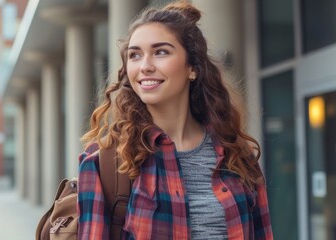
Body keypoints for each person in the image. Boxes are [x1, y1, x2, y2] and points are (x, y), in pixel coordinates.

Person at [77, 1, 273, 239]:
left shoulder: (237, 155)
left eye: (161, 52)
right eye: (135, 55)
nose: (145, 66)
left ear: (192, 68)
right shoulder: (105, 160)